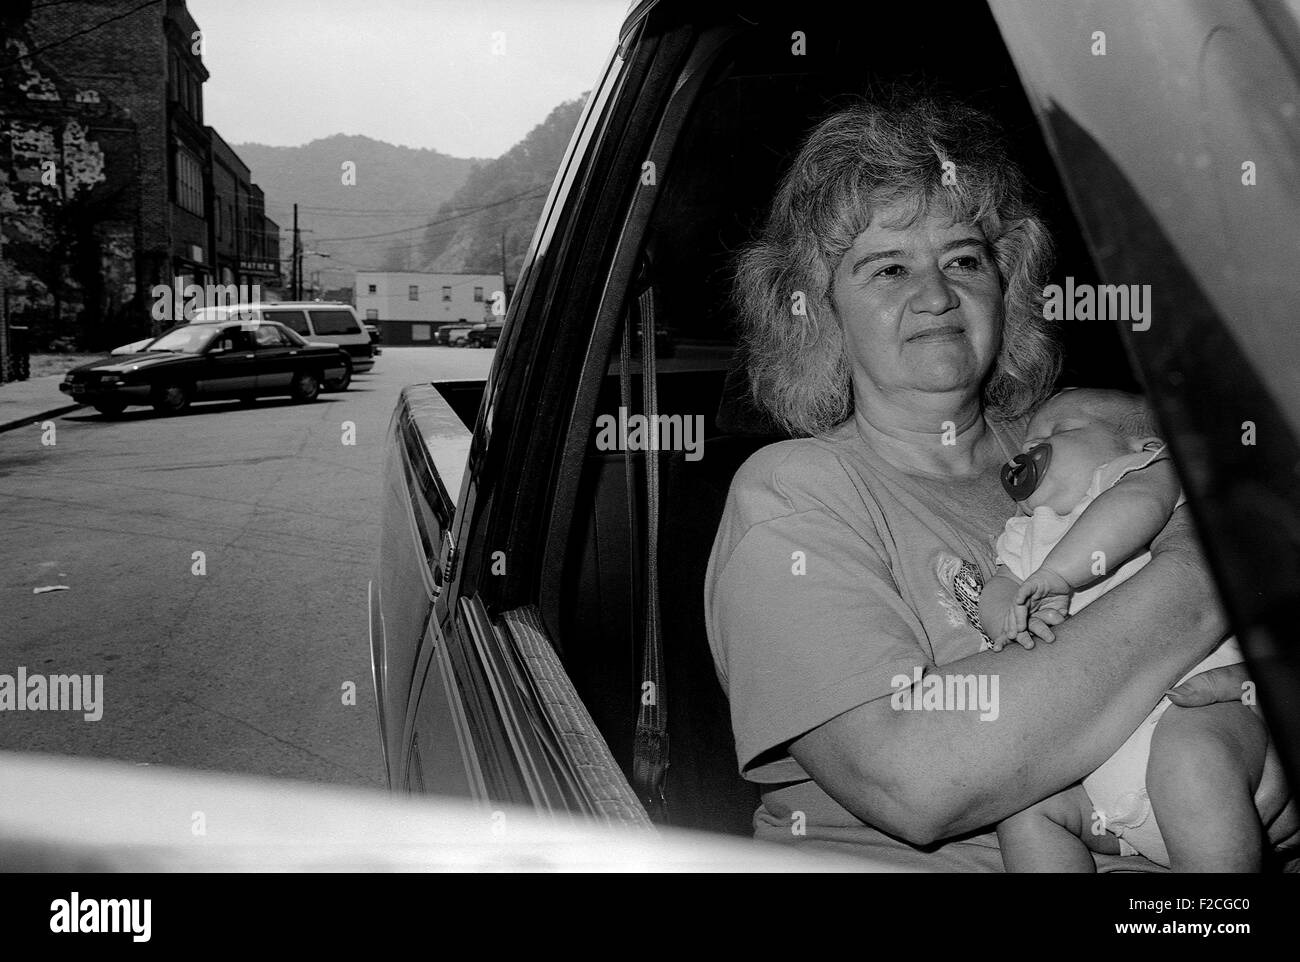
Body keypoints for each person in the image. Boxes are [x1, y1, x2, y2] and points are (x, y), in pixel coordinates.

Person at [704, 92, 1294, 870]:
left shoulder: (1080, 435)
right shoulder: (792, 497)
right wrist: (1200, 573)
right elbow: (917, 780)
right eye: (888, 268)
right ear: (817, 309)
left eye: (963, 259)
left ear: (1005, 286)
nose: (936, 294)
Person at [979, 387, 1288, 870]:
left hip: (1194, 712)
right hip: (1103, 781)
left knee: (1190, 760)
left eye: (1059, 431)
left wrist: (1060, 574)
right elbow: (1000, 587)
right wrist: (1009, 622)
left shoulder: (1144, 475)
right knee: (1024, 810)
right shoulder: (1023, 531)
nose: (1030, 448)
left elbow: (1135, 507)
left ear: (1144, 447)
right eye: (1026, 442)